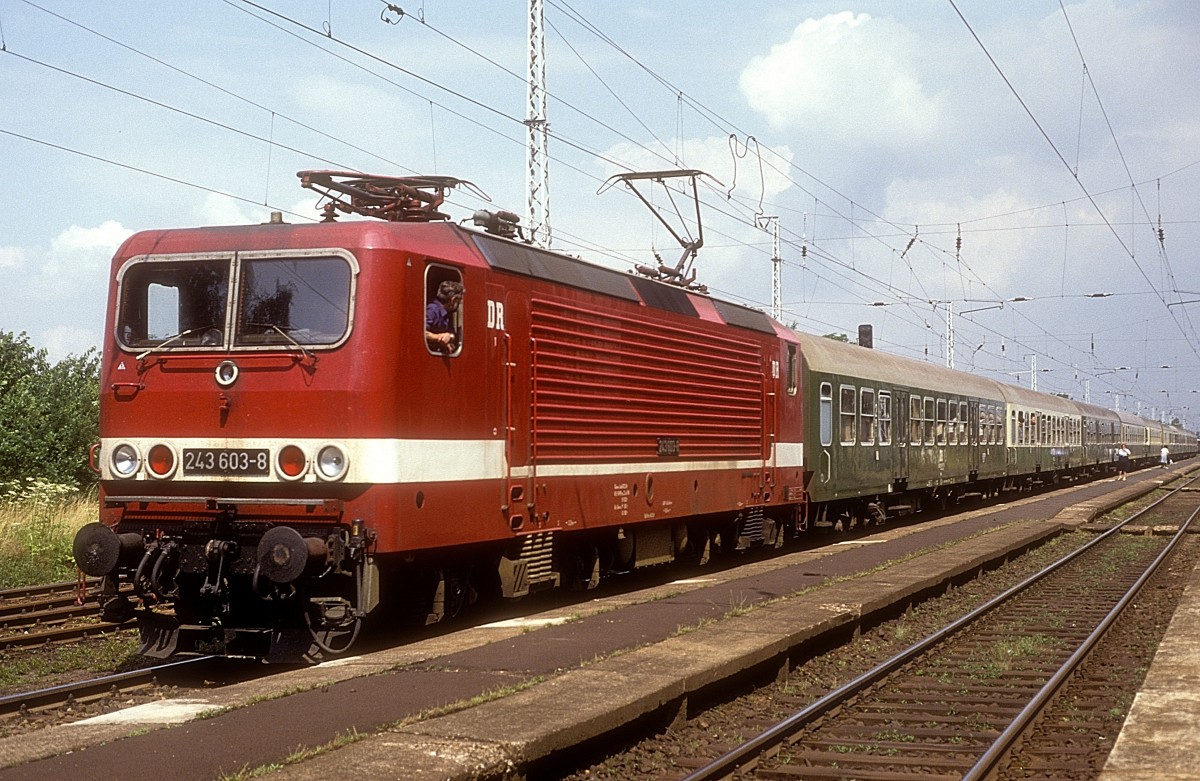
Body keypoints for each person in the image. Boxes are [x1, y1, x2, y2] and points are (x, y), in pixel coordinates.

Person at [425, 280, 464, 352]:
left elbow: (451, 333)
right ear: (453, 300)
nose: (459, 305)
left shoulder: (448, 315)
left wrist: (449, 337)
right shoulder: (432, 310)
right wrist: (438, 337)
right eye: (459, 302)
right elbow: (422, 332)